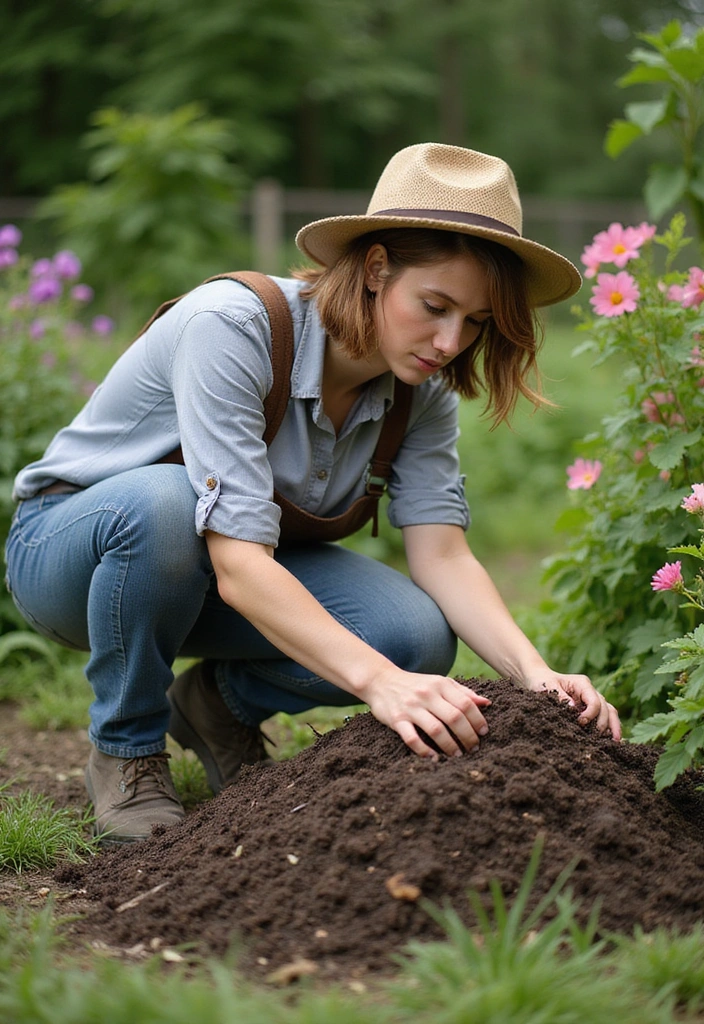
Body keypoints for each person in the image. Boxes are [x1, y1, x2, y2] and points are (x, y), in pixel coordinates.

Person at [4, 142, 621, 844]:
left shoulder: (417, 395)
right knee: (166, 505)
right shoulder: (233, 327)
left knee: (413, 636)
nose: (451, 341)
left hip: (215, 578)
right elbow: (237, 562)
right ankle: (126, 749)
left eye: (475, 322)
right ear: (377, 268)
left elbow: (444, 556)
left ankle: (215, 704)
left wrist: (533, 671)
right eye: (435, 306)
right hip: (72, 559)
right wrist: (380, 686)